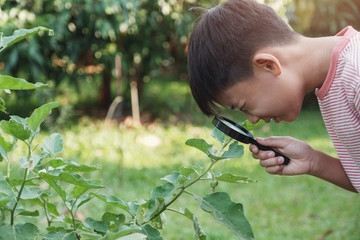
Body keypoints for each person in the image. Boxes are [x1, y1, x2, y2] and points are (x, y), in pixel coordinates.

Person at [187, 0, 360, 193]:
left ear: (268, 65)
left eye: (244, 106)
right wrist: (314, 161)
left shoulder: (356, 75)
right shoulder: (336, 80)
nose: (252, 118)